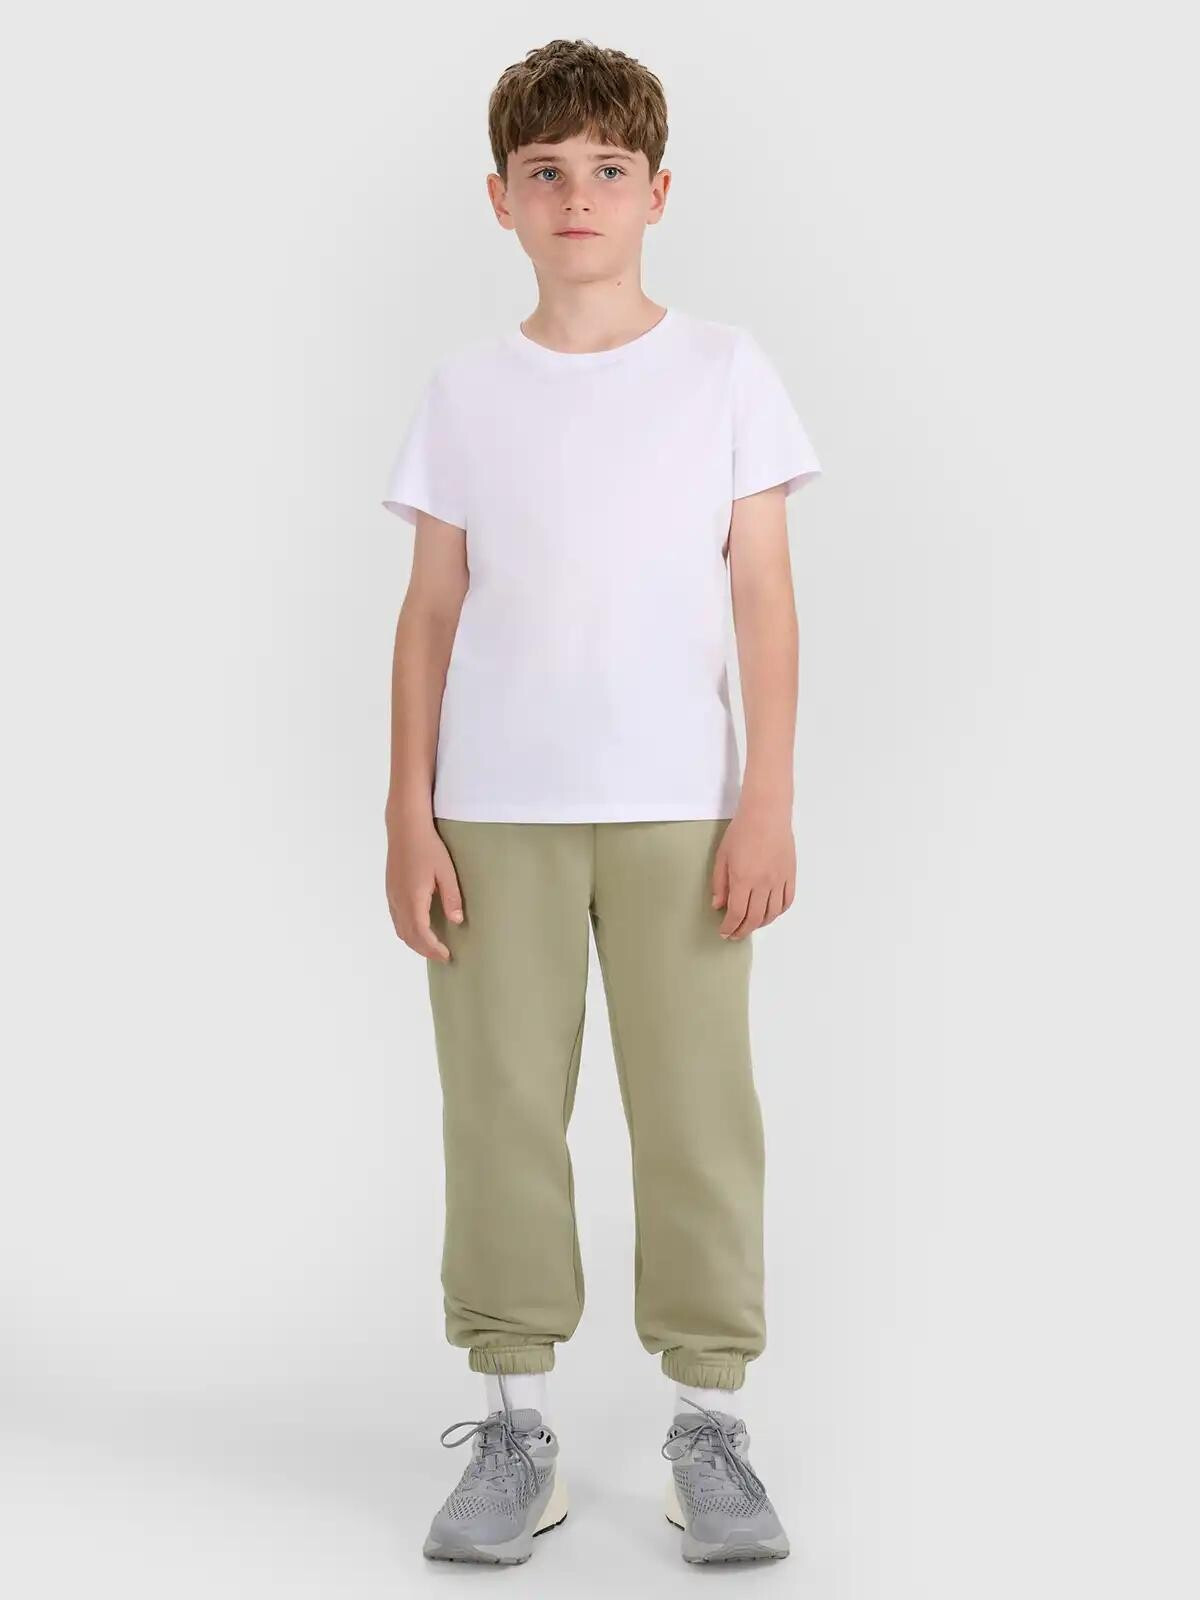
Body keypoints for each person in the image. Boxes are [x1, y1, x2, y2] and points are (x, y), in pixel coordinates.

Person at [380, 37, 821, 1567]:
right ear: (500, 197)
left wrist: (767, 798)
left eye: (608, 170)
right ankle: (514, 1427)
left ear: (658, 193)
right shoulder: (465, 392)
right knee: (501, 1107)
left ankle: (710, 1426)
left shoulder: (724, 372)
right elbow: (430, 612)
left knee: (696, 1112)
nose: (579, 195)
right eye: (547, 171)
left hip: (682, 809)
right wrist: (407, 811)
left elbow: (762, 596)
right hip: (493, 809)